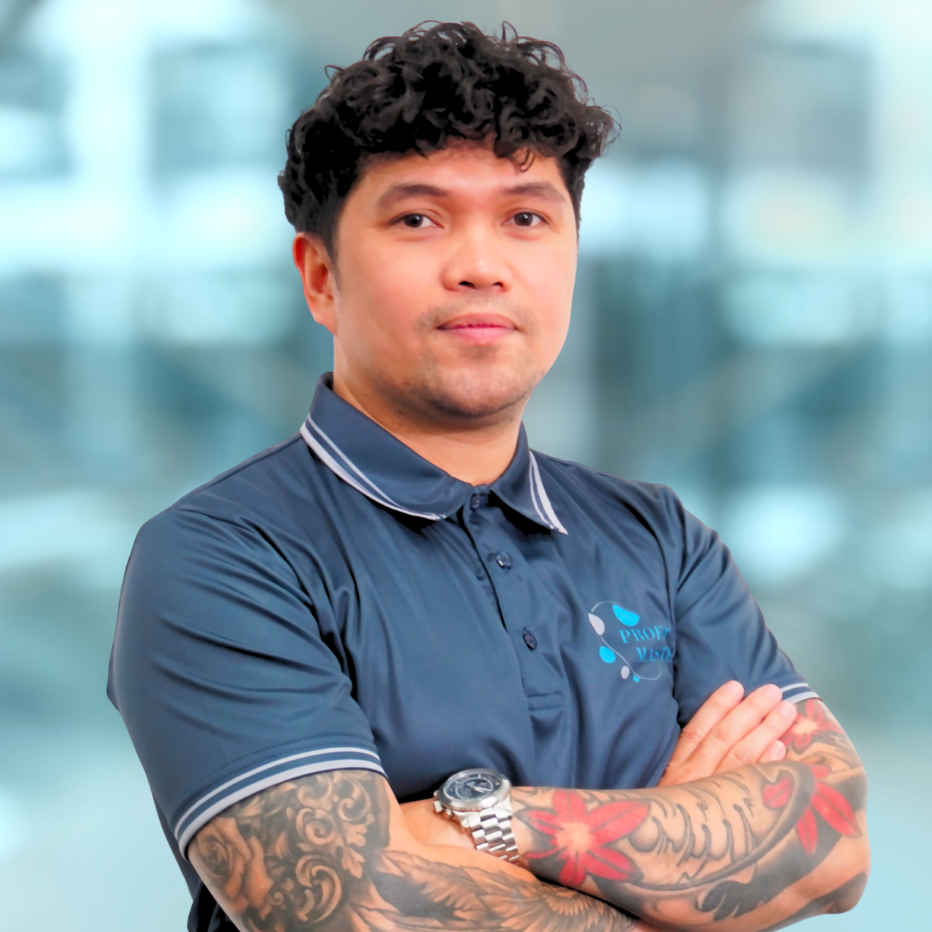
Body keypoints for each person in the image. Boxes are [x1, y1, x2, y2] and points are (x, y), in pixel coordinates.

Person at [108, 22, 869, 932]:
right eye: (418, 219)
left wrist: (490, 821)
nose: (481, 267)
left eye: (526, 218)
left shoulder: (659, 540)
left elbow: (833, 846)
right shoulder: (221, 558)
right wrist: (674, 838)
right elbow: (354, 911)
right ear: (320, 279)